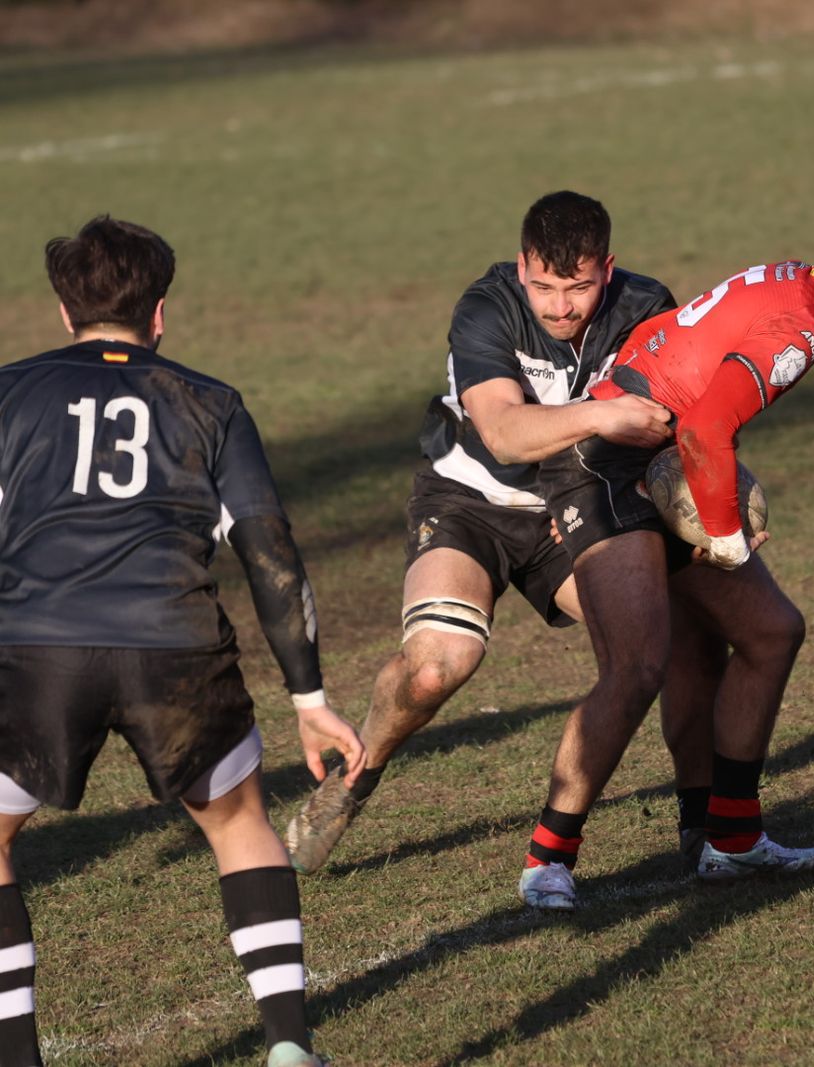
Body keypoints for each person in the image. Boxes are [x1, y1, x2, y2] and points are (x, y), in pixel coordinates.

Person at [0, 217, 365, 1067]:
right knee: (238, 821)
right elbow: (270, 552)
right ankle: (286, 1046)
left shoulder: (9, 393)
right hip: (176, 647)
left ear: (63, 312)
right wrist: (309, 698)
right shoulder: (211, 402)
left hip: (39, 650)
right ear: (159, 314)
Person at [526, 200, 814, 906]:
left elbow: (683, 367)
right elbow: (706, 425)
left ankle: (730, 838)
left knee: (768, 630)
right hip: (606, 467)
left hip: (645, 452)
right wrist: (723, 533)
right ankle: (549, 858)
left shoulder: (792, 279)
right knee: (637, 663)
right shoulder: (799, 328)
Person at [284, 191, 695, 878]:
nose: (560, 307)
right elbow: (503, 434)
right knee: (437, 663)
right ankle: (355, 779)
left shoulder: (646, 307)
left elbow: (675, 419)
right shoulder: (487, 306)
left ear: (609, 270)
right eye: (544, 286)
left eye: (579, 287)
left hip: (579, 506)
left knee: (660, 647)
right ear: (521, 266)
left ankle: (701, 823)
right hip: (470, 499)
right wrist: (601, 416)